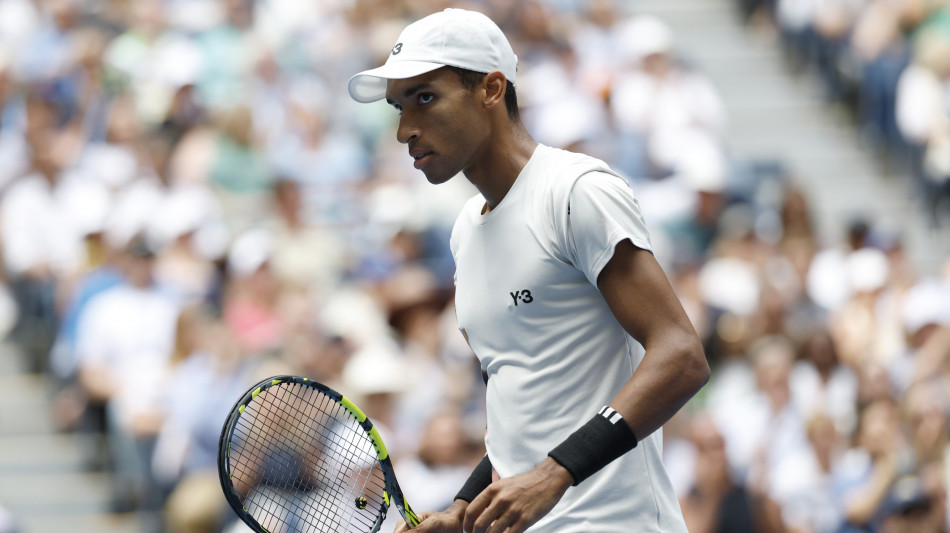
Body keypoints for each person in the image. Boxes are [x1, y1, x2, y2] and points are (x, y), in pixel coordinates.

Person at [347, 8, 709, 533]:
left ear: (492, 89)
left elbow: (682, 357)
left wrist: (554, 473)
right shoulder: (465, 232)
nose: (405, 130)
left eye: (424, 98)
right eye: (398, 107)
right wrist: (462, 508)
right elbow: (523, 411)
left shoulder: (576, 191)